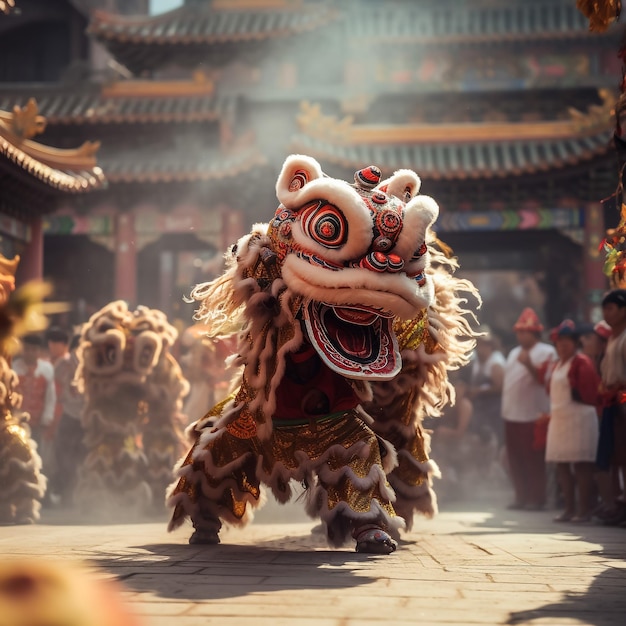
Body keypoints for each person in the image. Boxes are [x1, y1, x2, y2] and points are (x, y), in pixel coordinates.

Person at [545, 320, 600, 522]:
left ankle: (583, 510)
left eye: (567, 342)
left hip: (579, 419)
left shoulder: (581, 362)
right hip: (560, 418)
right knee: (561, 465)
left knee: (581, 466)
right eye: (559, 342)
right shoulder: (557, 364)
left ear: (575, 343)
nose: (562, 345)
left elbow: (589, 393)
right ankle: (569, 508)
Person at [501, 308, 555, 510]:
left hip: (533, 415)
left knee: (533, 459)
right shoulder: (514, 352)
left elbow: (546, 382)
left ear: (535, 333)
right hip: (512, 414)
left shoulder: (547, 351)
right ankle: (521, 496)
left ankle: (536, 498)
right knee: (515, 459)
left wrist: (530, 365)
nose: (520, 335)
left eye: (525, 332)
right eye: (519, 331)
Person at [596, 289, 626, 525]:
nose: (606, 313)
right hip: (611, 403)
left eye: (611, 308)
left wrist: (617, 387)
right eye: (604, 308)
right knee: (616, 456)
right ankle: (618, 503)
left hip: (622, 401)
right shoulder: (612, 338)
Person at [50, 333, 85, 507]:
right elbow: (56, 387)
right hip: (68, 415)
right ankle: (66, 494)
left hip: (84, 418)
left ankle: (75, 495)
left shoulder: (90, 364)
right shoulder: (63, 365)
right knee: (64, 457)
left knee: (81, 457)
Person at [12, 335, 56, 447]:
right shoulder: (14, 369)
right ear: (22, 350)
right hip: (15, 421)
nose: (30, 353)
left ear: (39, 351)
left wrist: (47, 418)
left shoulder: (47, 369)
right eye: (27, 349)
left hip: (37, 423)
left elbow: (50, 397)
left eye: (34, 350)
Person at [469, 327, 506, 443]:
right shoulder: (475, 359)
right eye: (479, 343)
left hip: (493, 407)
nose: (481, 347)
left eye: (484, 344)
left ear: (490, 345)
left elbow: (500, 387)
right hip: (479, 408)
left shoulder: (495, 362)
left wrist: (479, 391)